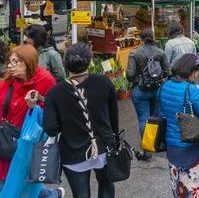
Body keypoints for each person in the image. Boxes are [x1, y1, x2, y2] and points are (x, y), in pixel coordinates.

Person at [43, 43, 118, 198]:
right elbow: (113, 118)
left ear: (65, 63)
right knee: (106, 187)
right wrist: (113, 139)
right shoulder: (104, 82)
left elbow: (50, 128)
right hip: (104, 147)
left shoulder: (54, 93)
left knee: (81, 194)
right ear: (89, 61)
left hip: (73, 152)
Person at [0, 44, 62, 197]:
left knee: (24, 178)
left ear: (28, 62)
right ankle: (51, 195)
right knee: (8, 179)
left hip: (28, 140)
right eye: (9, 62)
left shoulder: (45, 80)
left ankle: (50, 195)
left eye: (15, 62)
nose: (10, 66)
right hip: (5, 137)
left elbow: (54, 111)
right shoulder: (7, 81)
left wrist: (34, 107)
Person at [158, 54, 199, 197]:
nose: (197, 74)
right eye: (196, 71)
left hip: (172, 146)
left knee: (179, 186)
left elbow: (162, 111)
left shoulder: (165, 85)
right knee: (195, 188)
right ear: (191, 71)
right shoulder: (191, 89)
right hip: (190, 145)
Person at [126, 28, 170, 161]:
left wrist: (136, 80)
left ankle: (147, 151)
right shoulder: (160, 53)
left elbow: (129, 74)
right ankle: (157, 143)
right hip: (156, 89)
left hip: (140, 90)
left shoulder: (135, 53)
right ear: (153, 36)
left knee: (143, 119)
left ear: (140, 38)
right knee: (154, 117)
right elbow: (167, 71)